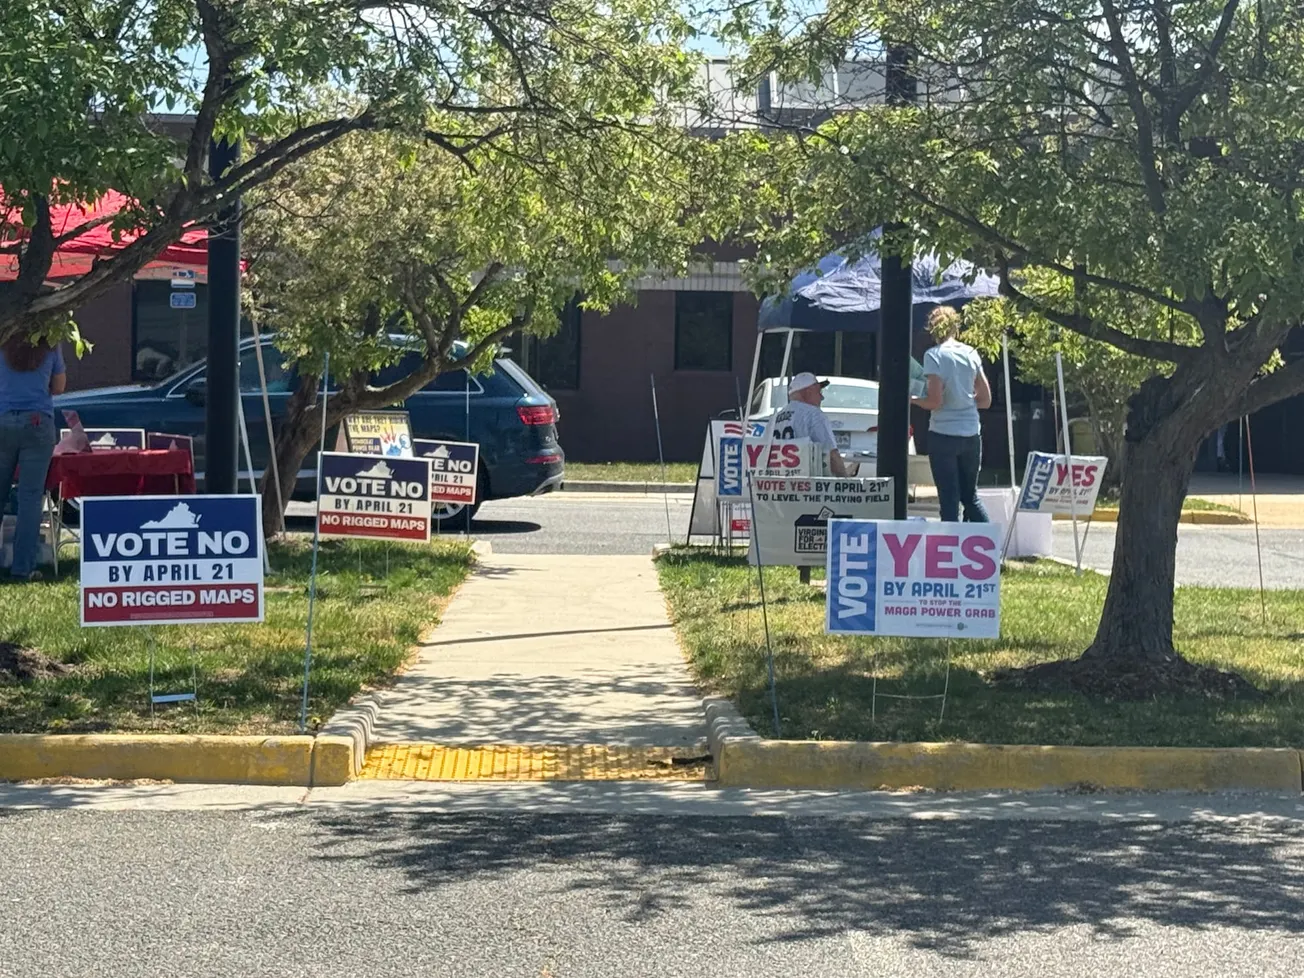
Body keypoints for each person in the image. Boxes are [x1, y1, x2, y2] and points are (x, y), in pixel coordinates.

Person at [913, 306, 991, 522]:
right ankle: (990, 549)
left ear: (933, 329)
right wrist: (965, 399)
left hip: (943, 433)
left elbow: (935, 401)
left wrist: (913, 399)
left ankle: (951, 552)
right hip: (971, 433)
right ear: (956, 326)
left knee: (949, 499)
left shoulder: (934, 356)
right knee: (970, 497)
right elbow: (985, 399)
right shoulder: (970, 353)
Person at [0, 333, 66, 581]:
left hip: (3, 418)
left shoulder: (3, 336)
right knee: (30, 498)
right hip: (38, 422)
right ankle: (23, 568)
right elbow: (59, 387)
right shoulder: (51, 342)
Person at [772, 372, 849, 477]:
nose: (822, 397)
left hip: (778, 483)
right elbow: (831, 455)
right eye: (819, 391)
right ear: (808, 392)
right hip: (807, 485)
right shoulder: (814, 415)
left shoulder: (774, 419)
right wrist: (845, 481)